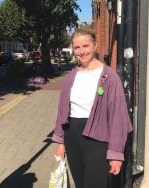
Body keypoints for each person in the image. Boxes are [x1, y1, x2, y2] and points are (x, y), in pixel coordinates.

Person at [52, 28, 133, 188]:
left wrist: (116, 154)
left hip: (99, 139)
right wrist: (60, 141)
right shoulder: (71, 76)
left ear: (95, 46)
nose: (81, 52)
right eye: (77, 47)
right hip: (72, 136)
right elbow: (62, 111)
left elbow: (118, 117)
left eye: (86, 46)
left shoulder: (109, 77)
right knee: (80, 184)